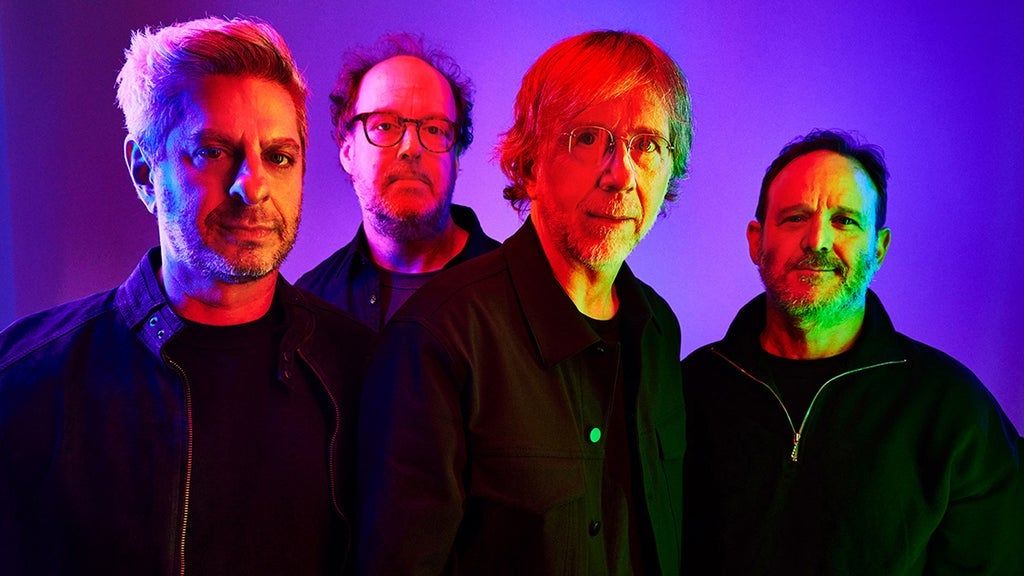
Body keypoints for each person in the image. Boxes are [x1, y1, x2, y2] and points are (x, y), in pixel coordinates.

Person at [0, 17, 373, 575]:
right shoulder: (25, 380)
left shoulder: (365, 376)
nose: (253, 186)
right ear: (144, 171)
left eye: (279, 156)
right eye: (212, 151)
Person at [356, 31, 691, 574]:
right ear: (530, 165)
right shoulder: (438, 341)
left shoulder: (658, 329)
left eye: (647, 144)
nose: (622, 175)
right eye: (589, 138)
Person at [681, 130, 1022, 574]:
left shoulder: (952, 408)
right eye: (795, 217)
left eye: (845, 221)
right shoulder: (688, 390)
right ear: (755, 241)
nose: (817, 241)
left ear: (878, 249)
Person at [297, 34, 499, 331]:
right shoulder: (308, 307)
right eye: (385, 125)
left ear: (456, 158)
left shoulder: (520, 292)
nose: (411, 147)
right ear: (348, 152)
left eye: (434, 129)